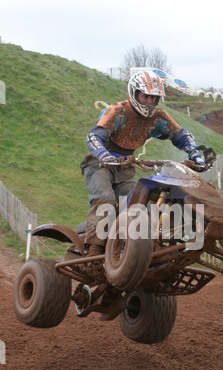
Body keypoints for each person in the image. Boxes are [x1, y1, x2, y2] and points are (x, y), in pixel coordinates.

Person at [80, 70, 212, 256]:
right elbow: (94, 136)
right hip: (98, 164)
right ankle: (94, 250)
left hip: (125, 168)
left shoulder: (159, 118)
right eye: (146, 96)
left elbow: (181, 135)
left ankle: (129, 249)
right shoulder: (118, 111)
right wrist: (104, 155)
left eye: (154, 97)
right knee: (105, 198)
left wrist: (194, 153)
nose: (150, 102)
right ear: (134, 93)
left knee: (136, 205)